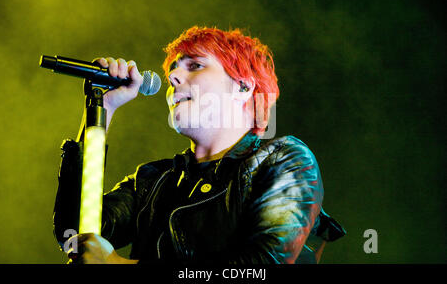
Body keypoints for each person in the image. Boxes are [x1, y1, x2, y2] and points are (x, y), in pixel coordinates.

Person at [53, 26, 345, 264]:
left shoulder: (284, 161)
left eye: (195, 65)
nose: (174, 77)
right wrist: (102, 109)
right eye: (173, 73)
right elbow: (76, 232)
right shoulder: (154, 180)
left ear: (243, 87)